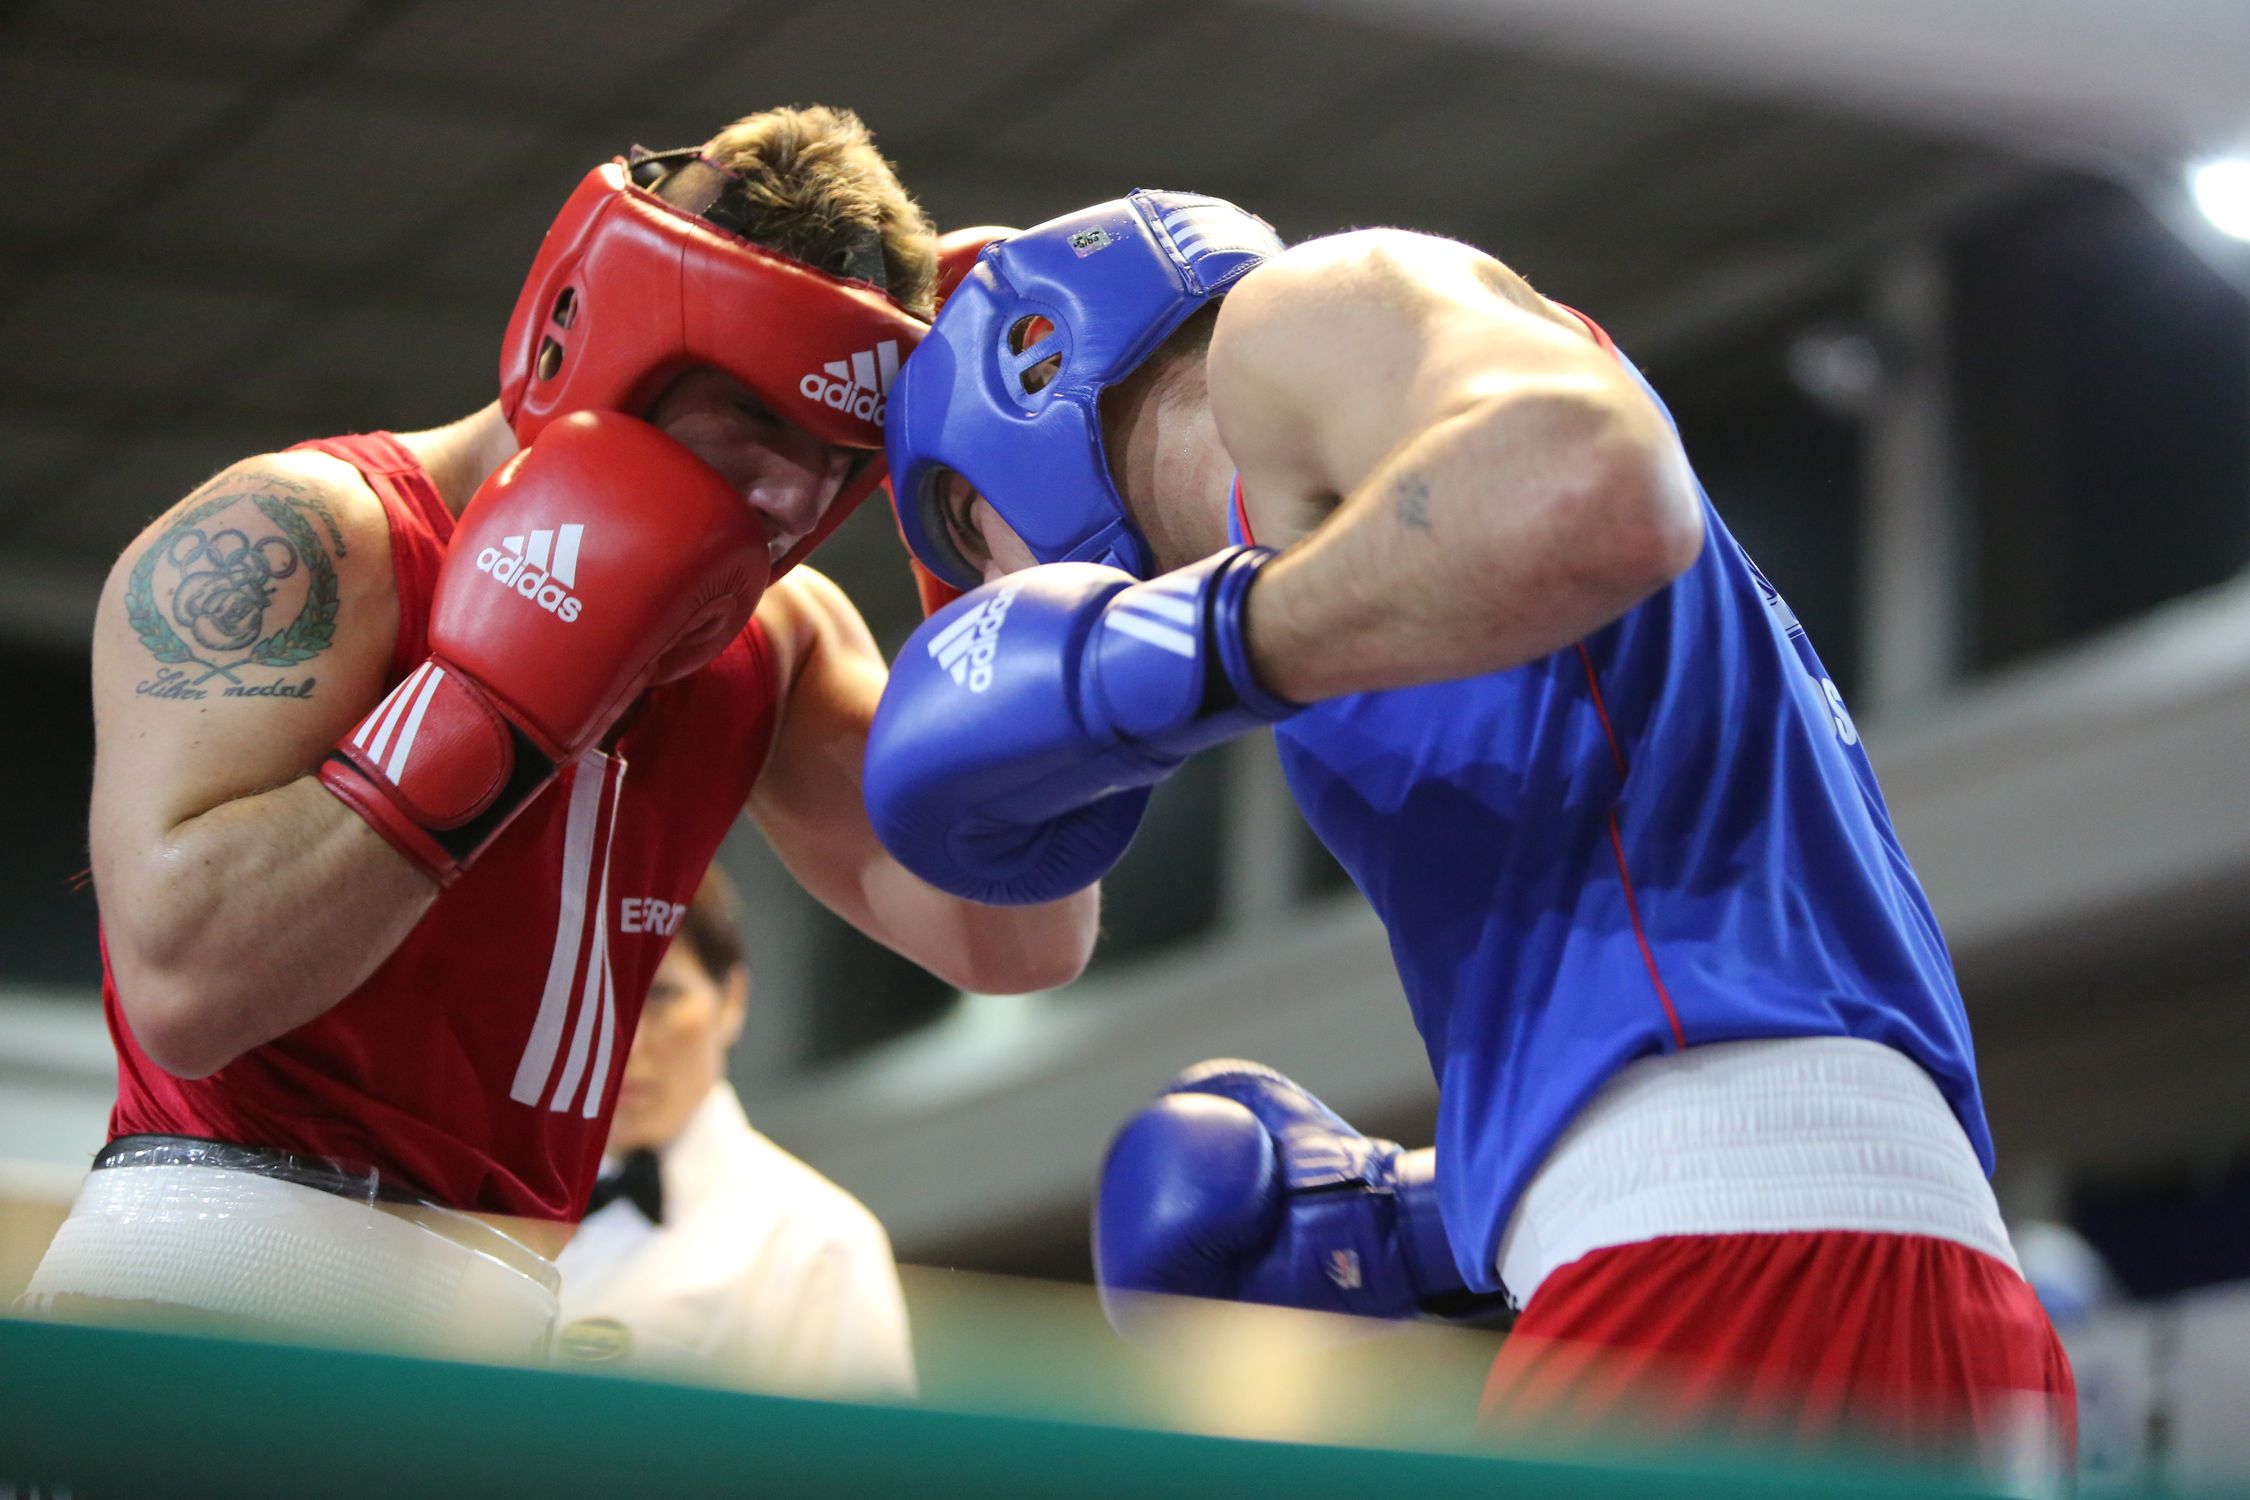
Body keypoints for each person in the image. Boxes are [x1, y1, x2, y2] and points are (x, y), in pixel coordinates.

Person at [864, 192, 2074, 1474]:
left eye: (963, 535)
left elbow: (1585, 485)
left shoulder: (1297, 315)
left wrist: (1202, 644)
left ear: (1025, 382)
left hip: (1737, 1288)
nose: (997, 585)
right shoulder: (1374, 555)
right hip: (1914, 1299)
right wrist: (1413, 1225)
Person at [26, 107, 1094, 1360]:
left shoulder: (780, 637)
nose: (783, 502)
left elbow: (1012, 931)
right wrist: (497, 705)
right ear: (589, 333)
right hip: (197, 1316)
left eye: (832, 461)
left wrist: (1015, 594)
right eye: (747, 427)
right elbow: (183, 987)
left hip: (501, 1346)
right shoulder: (305, 539)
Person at [555, 868, 914, 1398]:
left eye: (659, 995)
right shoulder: (491, 1211)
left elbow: (861, 1475)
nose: (624, 1045)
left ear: (732, 1001)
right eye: (589, 997)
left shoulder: (817, 1241)